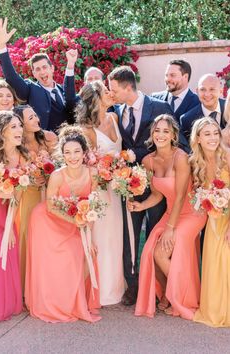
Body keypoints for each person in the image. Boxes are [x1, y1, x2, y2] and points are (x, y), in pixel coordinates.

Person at [108, 66, 177, 306]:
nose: (111, 93)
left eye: (114, 89)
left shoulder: (159, 107)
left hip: (157, 184)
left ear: (128, 87)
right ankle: (134, 287)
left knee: (154, 237)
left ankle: (159, 289)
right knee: (129, 235)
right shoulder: (115, 110)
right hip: (128, 186)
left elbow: (178, 143)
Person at [130, 114, 206, 319]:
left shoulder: (181, 157)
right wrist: (141, 205)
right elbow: (156, 194)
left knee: (161, 253)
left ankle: (182, 298)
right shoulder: (148, 161)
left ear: (173, 135)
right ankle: (167, 293)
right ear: (152, 133)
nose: (160, 135)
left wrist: (170, 229)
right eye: (157, 130)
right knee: (149, 252)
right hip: (171, 212)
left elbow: (181, 195)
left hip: (192, 213)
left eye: (166, 131)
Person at [25, 126, 101, 323]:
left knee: (89, 252)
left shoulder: (93, 174)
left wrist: (89, 235)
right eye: (67, 152)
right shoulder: (58, 175)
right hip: (49, 221)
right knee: (68, 255)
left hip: (76, 221)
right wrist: (76, 221)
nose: (72, 156)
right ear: (62, 154)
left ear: (84, 153)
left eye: (76, 152)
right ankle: (58, 302)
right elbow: (51, 205)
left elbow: (93, 207)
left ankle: (74, 301)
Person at [76, 81, 125, 305]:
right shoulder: (87, 130)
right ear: (95, 98)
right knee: (103, 238)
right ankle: (103, 291)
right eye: (106, 92)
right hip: (101, 191)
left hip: (118, 189)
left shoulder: (114, 118)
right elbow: (89, 165)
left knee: (117, 237)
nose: (111, 93)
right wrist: (108, 172)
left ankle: (117, 286)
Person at [0, 18, 78, 131]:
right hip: (45, 144)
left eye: (44, 67)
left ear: (52, 68)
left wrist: (70, 65)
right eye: (38, 69)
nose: (42, 72)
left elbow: (71, 102)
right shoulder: (31, 90)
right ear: (34, 74)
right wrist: (1, 47)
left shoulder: (64, 90)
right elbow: (12, 77)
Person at [189, 117, 230, 327]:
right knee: (214, 263)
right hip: (213, 220)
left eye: (215, 133)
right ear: (198, 139)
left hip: (229, 219)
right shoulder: (196, 163)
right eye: (207, 134)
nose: (213, 138)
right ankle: (215, 308)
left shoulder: (229, 157)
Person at [13, 104, 57, 293]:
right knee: (25, 235)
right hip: (27, 196)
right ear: (21, 123)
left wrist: (48, 176)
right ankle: (25, 287)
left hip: (48, 194)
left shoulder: (49, 138)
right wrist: (31, 178)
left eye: (35, 115)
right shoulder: (17, 145)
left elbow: (60, 164)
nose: (36, 119)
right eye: (30, 118)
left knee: (47, 239)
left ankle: (44, 284)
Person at [0, 110, 28, 321]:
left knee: (6, 247)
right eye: (14, 126)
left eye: (20, 126)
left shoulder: (22, 157)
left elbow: (18, 193)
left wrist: (10, 227)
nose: (19, 130)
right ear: (2, 131)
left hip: (6, 213)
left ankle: (5, 303)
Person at [180, 74, 226, 149]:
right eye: (203, 89)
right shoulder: (187, 119)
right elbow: (189, 151)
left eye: (212, 89)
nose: (207, 94)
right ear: (197, 91)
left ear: (221, 91)